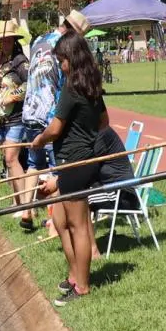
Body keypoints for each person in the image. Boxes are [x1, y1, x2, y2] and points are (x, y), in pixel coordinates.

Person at [29, 33, 112, 306]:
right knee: (62, 222)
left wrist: (39, 141)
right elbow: (104, 122)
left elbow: (54, 128)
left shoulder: (71, 87)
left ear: (72, 59)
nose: (61, 65)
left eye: (62, 60)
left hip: (75, 163)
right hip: (78, 161)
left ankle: (83, 286)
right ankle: (74, 275)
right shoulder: (91, 86)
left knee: (78, 226)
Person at [17, 9, 89, 232]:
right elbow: (64, 82)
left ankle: (27, 210)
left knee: (33, 164)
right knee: (56, 168)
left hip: (29, 110)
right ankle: (53, 221)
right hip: (49, 114)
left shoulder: (40, 39)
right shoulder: (65, 47)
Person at [0, 21, 30, 214]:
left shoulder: (20, 61)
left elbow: (30, 83)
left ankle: (26, 205)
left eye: (7, 40)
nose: (4, 44)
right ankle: (15, 202)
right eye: (1, 41)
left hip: (17, 116)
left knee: (12, 158)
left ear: (13, 40)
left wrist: (14, 96)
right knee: (7, 160)